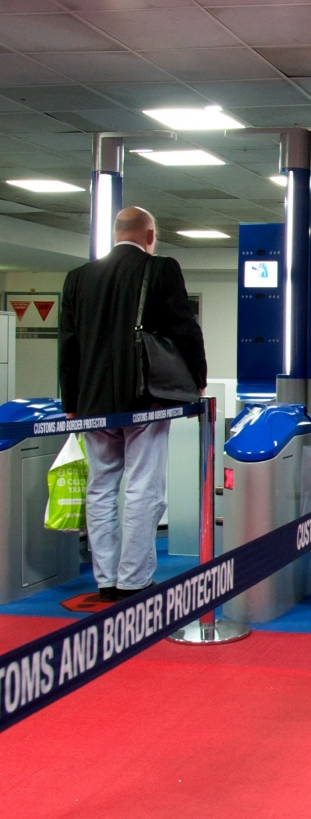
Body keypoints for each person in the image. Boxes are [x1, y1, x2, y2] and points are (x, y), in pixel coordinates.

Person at [59, 206, 207, 602]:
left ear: (114, 233)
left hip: (92, 402)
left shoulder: (78, 278)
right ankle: (134, 579)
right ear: (150, 234)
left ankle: (105, 579)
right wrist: (197, 383)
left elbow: (69, 344)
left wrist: (70, 401)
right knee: (143, 488)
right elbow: (184, 329)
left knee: (100, 487)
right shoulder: (160, 269)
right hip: (145, 398)